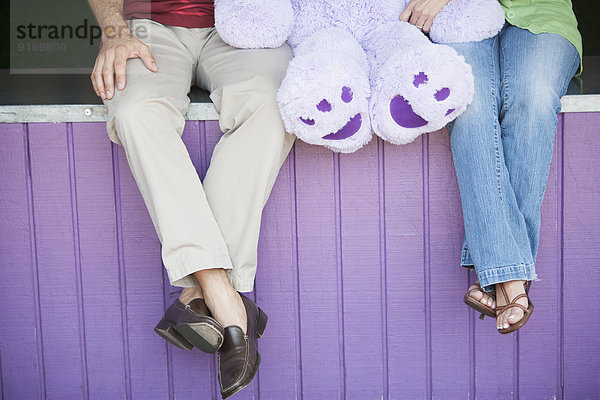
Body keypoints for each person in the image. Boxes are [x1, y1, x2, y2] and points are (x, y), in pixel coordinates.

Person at [88, 0, 294, 397]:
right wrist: (114, 30)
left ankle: (199, 293)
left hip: (246, 24)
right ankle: (223, 294)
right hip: (147, 25)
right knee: (134, 111)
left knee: (276, 104)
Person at [401, 0, 582, 333]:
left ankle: (498, 272)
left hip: (541, 14)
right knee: (467, 106)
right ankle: (510, 277)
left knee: (535, 101)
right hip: (460, 15)